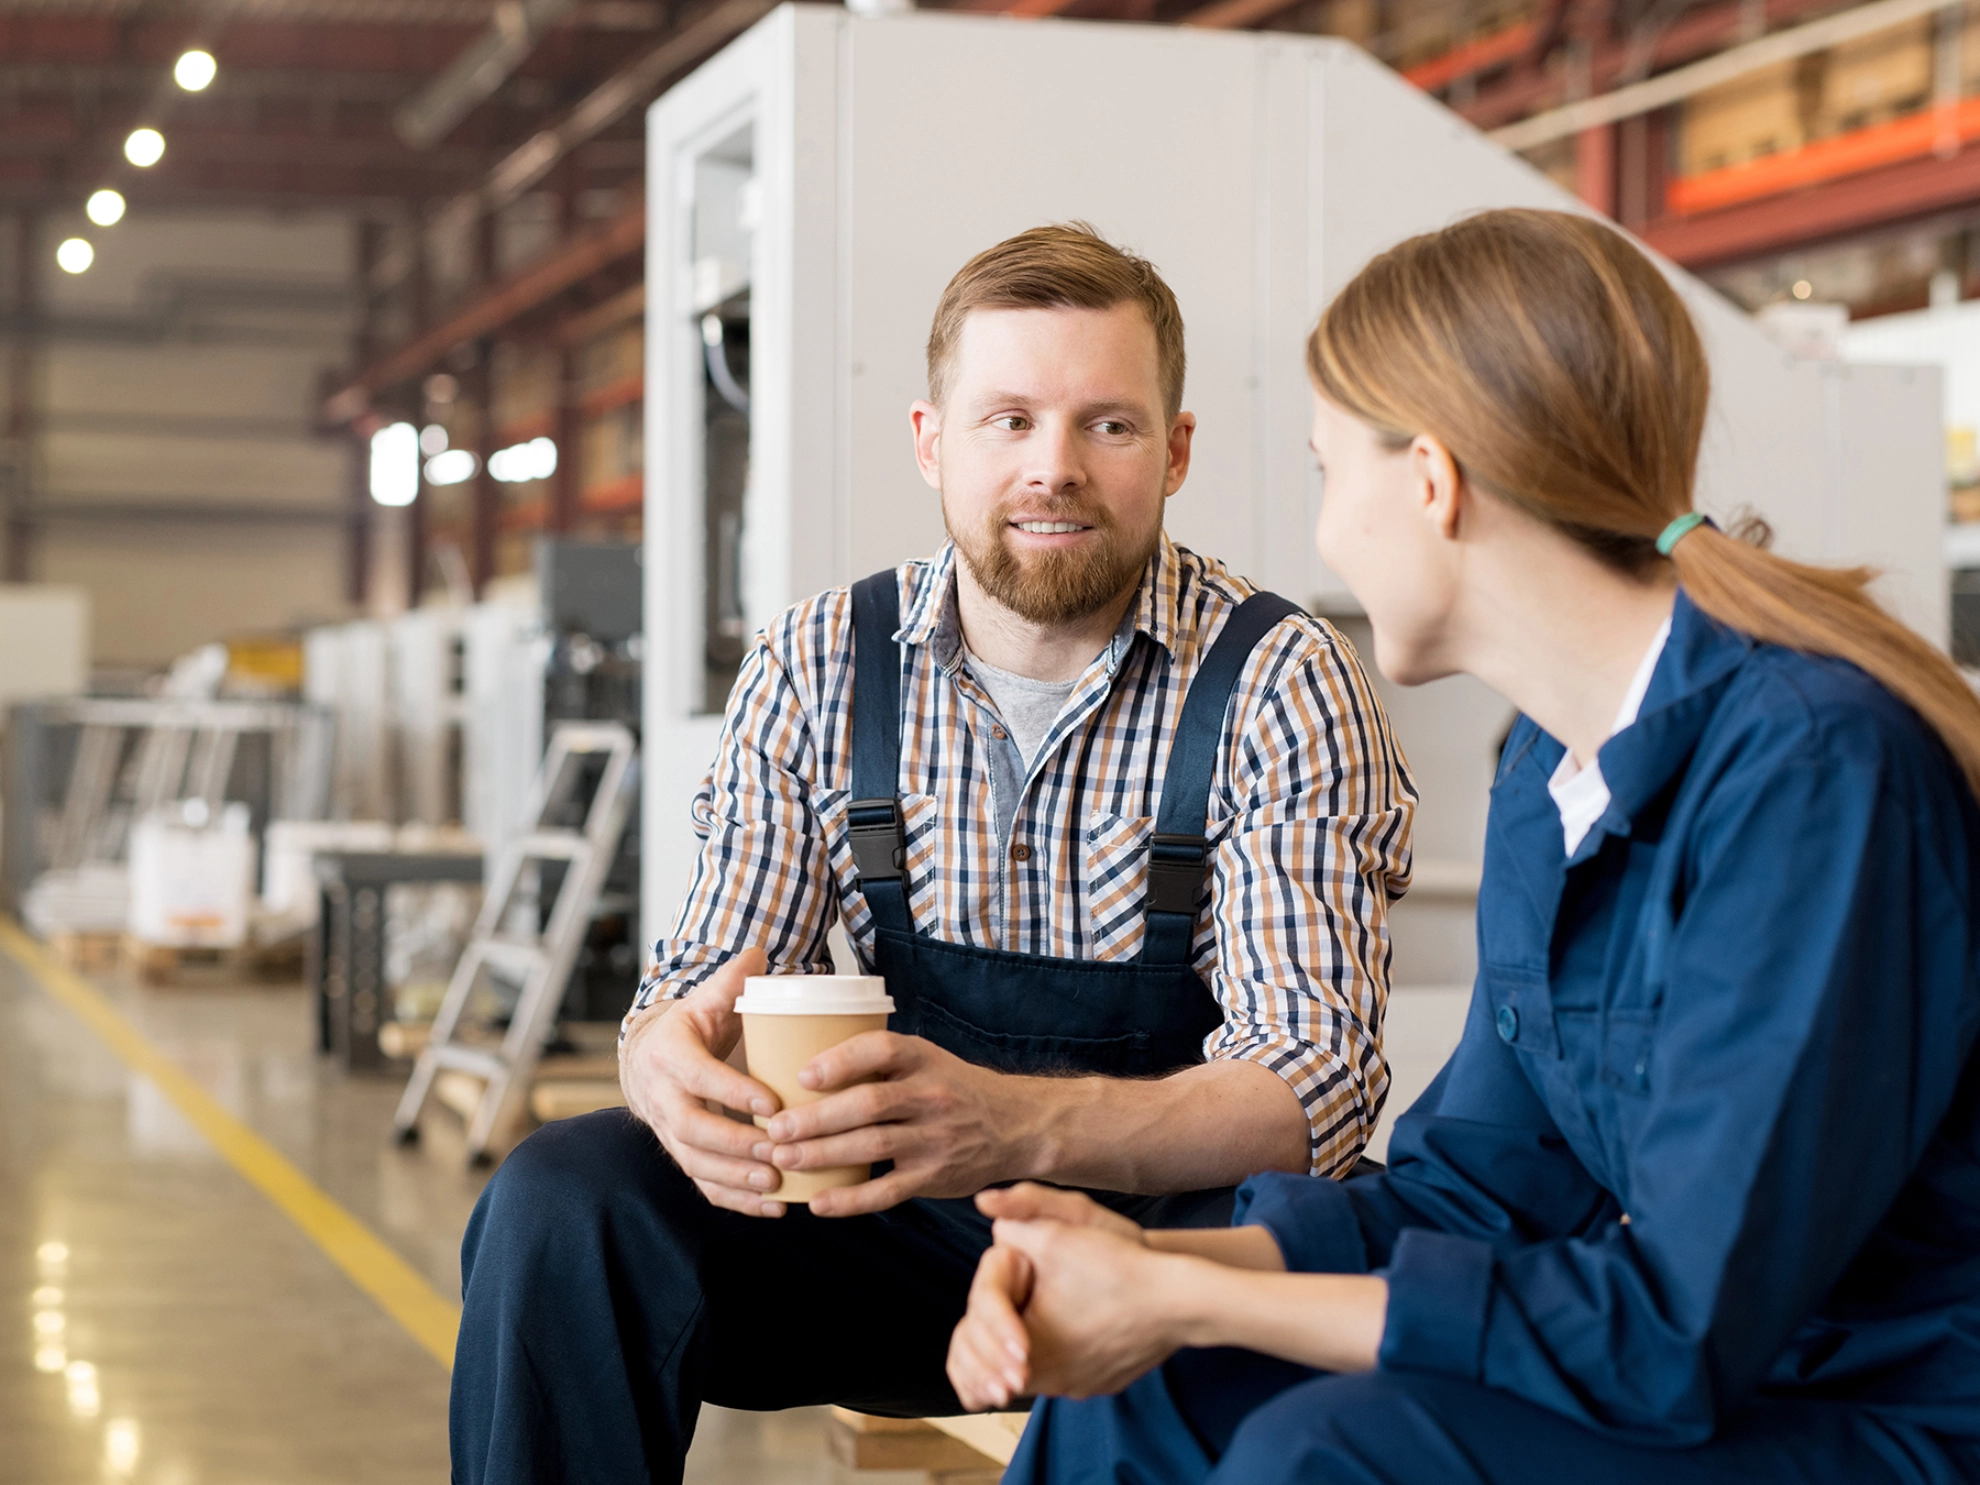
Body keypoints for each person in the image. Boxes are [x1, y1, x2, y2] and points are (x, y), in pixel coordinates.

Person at [946, 208, 1980, 1485]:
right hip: (1705, 1375)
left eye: (1330, 475)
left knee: (1331, 1453)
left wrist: (1193, 1299)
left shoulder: (1815, 772)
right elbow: (1480, 1195)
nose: (1325, 538)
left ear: (1431, 482)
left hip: (1878, 1409)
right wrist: (1141, 1272)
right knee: (1147, 1387)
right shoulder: (1550, 765)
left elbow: (1677, 1332)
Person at [449, 223, 1416, 1484]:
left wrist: (1013, 1127)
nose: (1052, 469)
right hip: (880, 1241)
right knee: (562, 1202)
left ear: (1175, 452)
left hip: (1159, 1254)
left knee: (1305, 1242)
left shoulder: (1281, 681)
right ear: (930, 442)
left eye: (1107, 426)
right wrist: (665, 1065)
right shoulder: (820, 660)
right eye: (1007, 420)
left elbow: (1317, 1090)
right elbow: (703, 977)